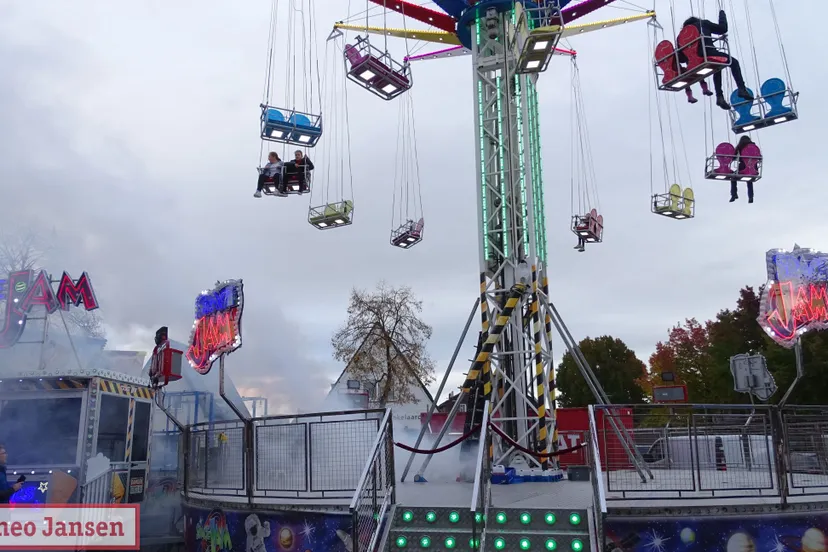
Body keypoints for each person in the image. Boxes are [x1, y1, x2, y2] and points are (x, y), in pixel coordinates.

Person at [681, 10, 754, 110]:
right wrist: (722, 14)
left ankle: (719, 97)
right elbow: (723, 28)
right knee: (733, 62)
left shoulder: (680, 36)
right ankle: (741, 88)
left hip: (694, 61)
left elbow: (681, 58)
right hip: (708, 53)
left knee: (716, 67)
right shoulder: (703, 24)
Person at [730, 136, 756, 204]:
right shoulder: (754, 147)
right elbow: (759, 156)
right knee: (749, 180)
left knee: (733, 177)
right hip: (753, 168)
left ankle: (734, 194)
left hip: (743, 167)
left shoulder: (740, 147)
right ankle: (750, 197)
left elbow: (733, 157)